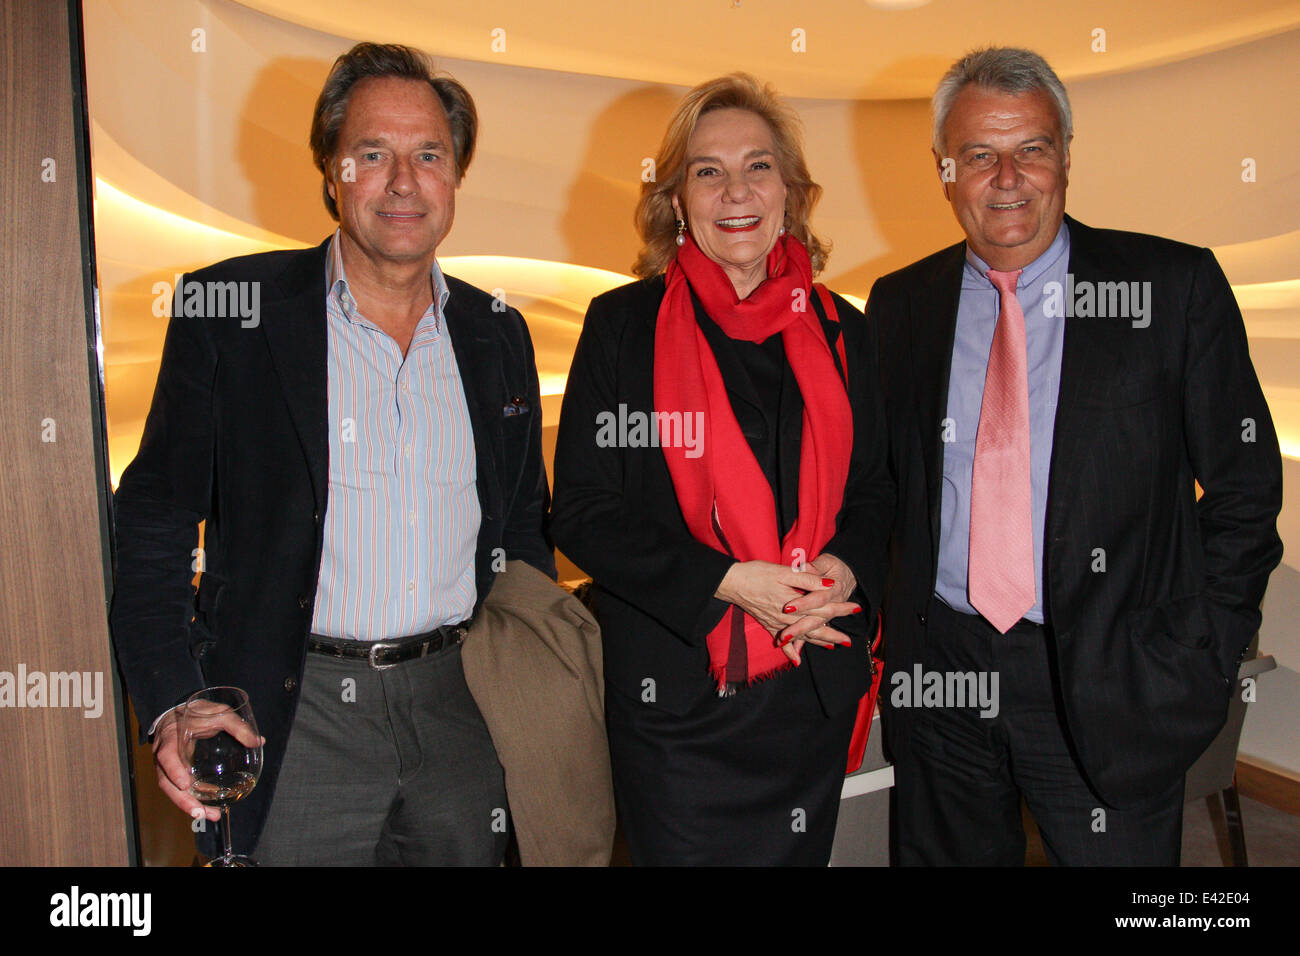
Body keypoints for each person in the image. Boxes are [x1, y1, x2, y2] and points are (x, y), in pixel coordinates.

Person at [110, 42, 554, 865]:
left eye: (429, 155)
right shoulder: (230, 312)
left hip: (463, 708)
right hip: (292, 712)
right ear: (331, 170)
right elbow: (152, 523)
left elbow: (524, 530)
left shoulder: (499, 335)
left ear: (454, 177)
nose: (402, 181)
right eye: (372, 153)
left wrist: (527, 694)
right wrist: (174, 700)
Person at [870, 46, 1283, 865]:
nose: (1008, 177)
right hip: (943, 677)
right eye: (980, 155)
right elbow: (885, 488)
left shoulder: (1171, 287)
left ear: (1065, 155)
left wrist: (1194, 657)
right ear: (944, 170)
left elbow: (1245, 489)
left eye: (1032, 148)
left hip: (1108, 677)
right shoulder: (900, 304)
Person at [550, 73, 894, 865]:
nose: (735, 190)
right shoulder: (620, 328)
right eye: (708, 170)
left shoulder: (845, 330)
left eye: (758, 166)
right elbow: (584, 512)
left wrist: (842, 572)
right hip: (676, 705)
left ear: (791, 194)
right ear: (676, 200)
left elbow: (877, 490)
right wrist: (731, 580)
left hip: (808, 682)